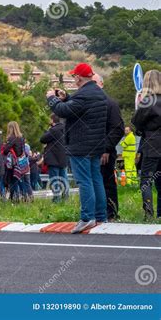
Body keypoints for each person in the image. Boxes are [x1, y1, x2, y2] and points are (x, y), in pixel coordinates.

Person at [46, 62, 107, 233]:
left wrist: (51, 97)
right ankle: (101, 216)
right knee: (96, 178)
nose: (73, 79)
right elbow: (77, 107)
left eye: (74, 76)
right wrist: (66, 97)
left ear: (78, 77)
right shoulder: (98, 93)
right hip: (96, 144)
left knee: (84, 181)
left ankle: (87, 217)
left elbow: (63, 111)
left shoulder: (83, 95)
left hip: (80, 145)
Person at [93, 73, 125, 221]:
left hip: (105, 151)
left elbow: (118, 128)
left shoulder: (110, 103)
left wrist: (106, 148)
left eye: (95, 82)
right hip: (88, 151)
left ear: (102, 84)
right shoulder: (88, 103)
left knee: (107, 182)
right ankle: (95, 213)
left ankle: (111, 213)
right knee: (92, 182)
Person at [132, 69, 161, 219]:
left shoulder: (148, 101)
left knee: (146, 179)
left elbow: (136, 122)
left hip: (152, 145)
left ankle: (149, 213)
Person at [40, 113, 69, 203]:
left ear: (52, 120)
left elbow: (42, 139)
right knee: (64, 179)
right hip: (63, 158)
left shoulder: (53, 130)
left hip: (53, 159)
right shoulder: (66, 128)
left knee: (54, 179)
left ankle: (57, 199)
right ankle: (65, 197)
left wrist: (48, 131)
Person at [3, 121, 31, 202]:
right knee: (20, 180)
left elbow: (5, 150)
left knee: (13, 180)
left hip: (14, 162)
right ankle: (25, 197)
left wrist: (5, 145)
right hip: (21, 161)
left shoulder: (11, 138)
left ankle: (15, 199)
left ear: (10, 128)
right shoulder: (21, 138)